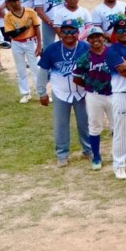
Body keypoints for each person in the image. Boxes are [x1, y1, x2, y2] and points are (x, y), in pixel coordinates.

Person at [38, 24, 88, 167]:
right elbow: (43, 71)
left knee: (85, 123)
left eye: (72, 31)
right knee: (60, 124)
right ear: (60, 33)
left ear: (77, 33)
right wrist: (42, 91)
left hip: (82, 92)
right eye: (65, 31)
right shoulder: (52, 49)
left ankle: (88, 150)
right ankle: (62, 154)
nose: (69, 34)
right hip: (60, 92)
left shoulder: (86, 47)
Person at [72, 27, 113, 170]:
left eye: (98, 36)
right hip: (94, 95)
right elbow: (76, 78)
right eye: (92, 37)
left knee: (118, 125)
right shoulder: (84, 57)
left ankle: (122, 152)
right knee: (95, 126)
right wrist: (90, 85)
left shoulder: (112, 52)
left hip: (114, 94)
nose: (96, 39)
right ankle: (96, 156)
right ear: (88, 40)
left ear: (103, 37)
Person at [104, 22, 126, 178]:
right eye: (120, 31)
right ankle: (119, 165)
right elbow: (123, 72)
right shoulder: (112, 50)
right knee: (121, 131)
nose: (124, 33)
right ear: (115, 33)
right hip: (122, 93)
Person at [2, 0, 41, 102]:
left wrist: (39, 45)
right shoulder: (8, 16)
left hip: (30, 42)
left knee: (36, 68)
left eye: (17, 0)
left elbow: (37, 28)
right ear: (9, 2)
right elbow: (11, 34)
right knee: (20, 69)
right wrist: (25, 27)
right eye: (13, 1)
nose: (16, 3)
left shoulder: (30, 12)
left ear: (20, 0)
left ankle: (41, 93)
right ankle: (25, 93)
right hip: (16, 43)